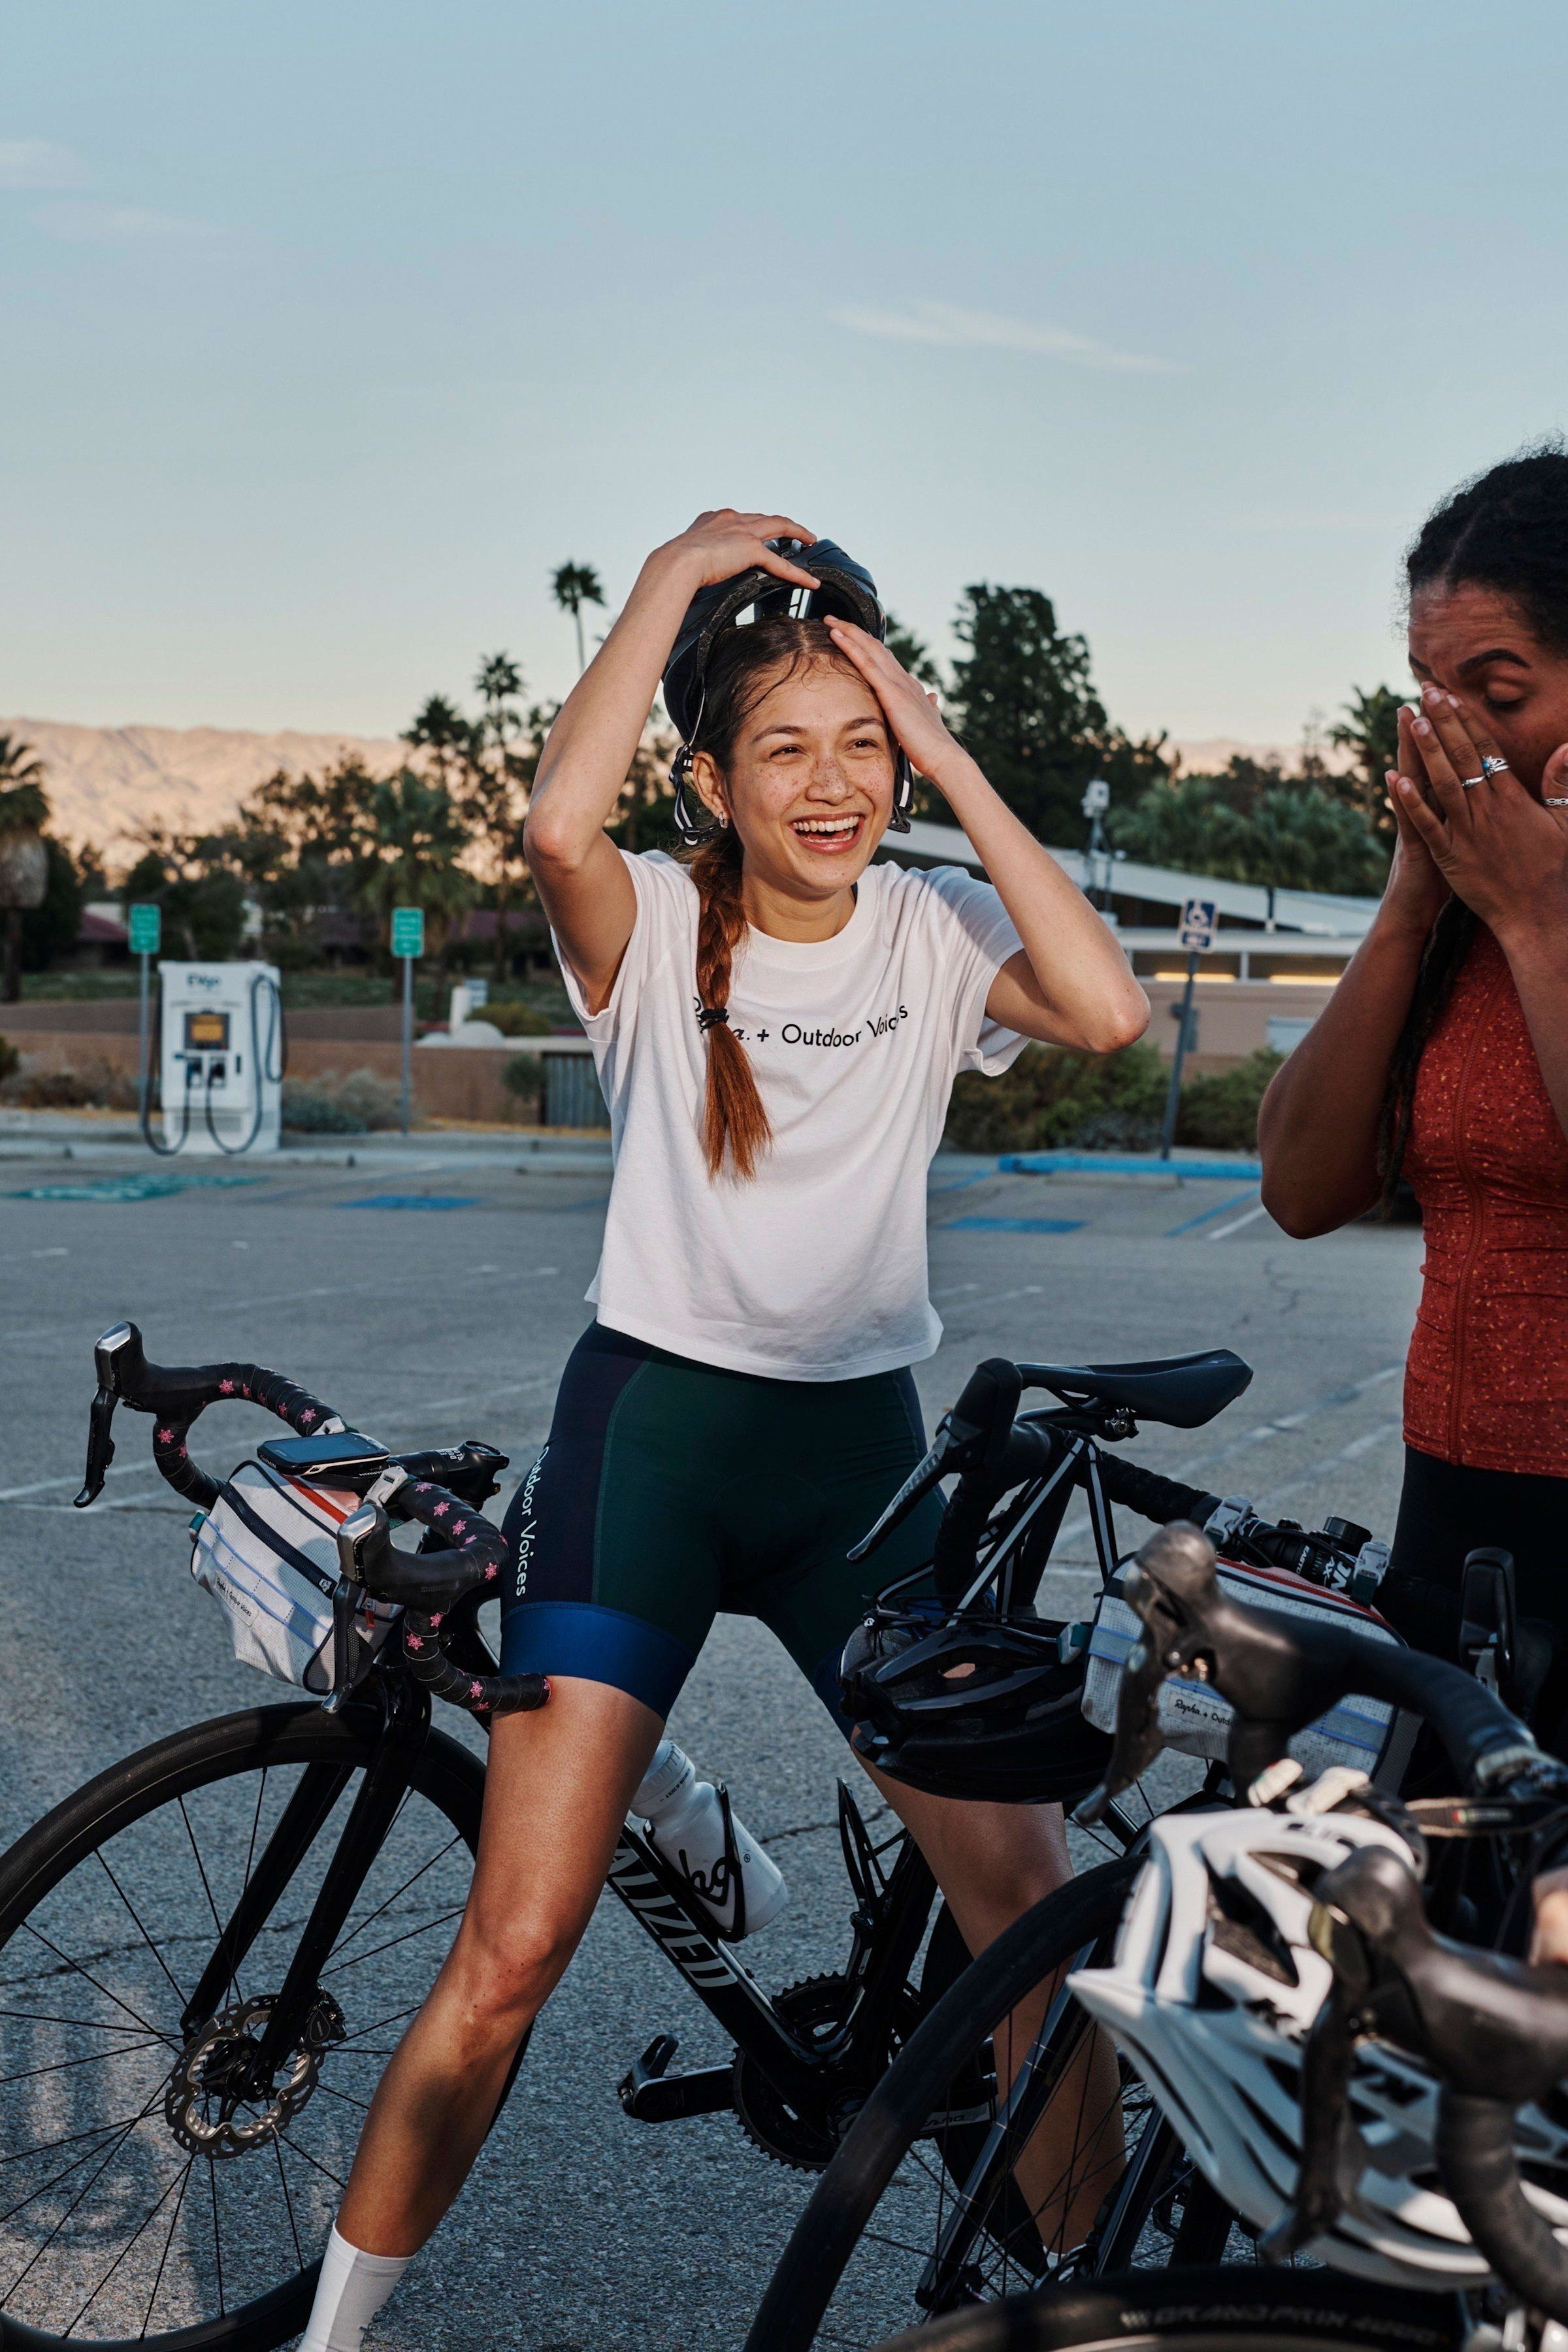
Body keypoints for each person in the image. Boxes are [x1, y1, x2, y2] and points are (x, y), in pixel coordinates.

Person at [297, 510, 1148, 2351]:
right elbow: (548, 822)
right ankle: (334, 2336)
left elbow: (1108, 1003)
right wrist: (679, 568)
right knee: (514, 1948)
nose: (834, 785)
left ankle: (1095, 2308)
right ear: (714, 776)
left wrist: (938, 743)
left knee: (1027, 1928)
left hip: (863, 1473)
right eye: (790, 748)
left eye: (863, 748)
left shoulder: (935, 931)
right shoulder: (655, 921)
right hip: (653, 1453)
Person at [1258, 446, 1568, 1731]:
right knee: (1425, 1923)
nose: (1455, 739)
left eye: (1498, 692)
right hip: (1453, 1508)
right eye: (1428, 697)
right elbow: (1301, 1186)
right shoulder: (1458, 916)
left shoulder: (1528, 905)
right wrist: (1411, 903)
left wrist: (1541, 914)